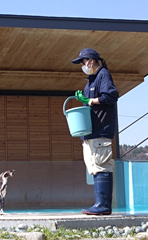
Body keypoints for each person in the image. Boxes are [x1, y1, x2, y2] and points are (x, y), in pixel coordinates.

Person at [71, 48, 118, 215]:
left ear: (90, 61)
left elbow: (111, 96)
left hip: (101, 131)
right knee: (94, 167)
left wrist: (90, 100)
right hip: (91, 133)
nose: (82, 66)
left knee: (101, 165)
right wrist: (84, 99)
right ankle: (100, 204)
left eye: (83, 62)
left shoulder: (103, 75)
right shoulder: (90, 81)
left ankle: (104, 205)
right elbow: (89, 103)